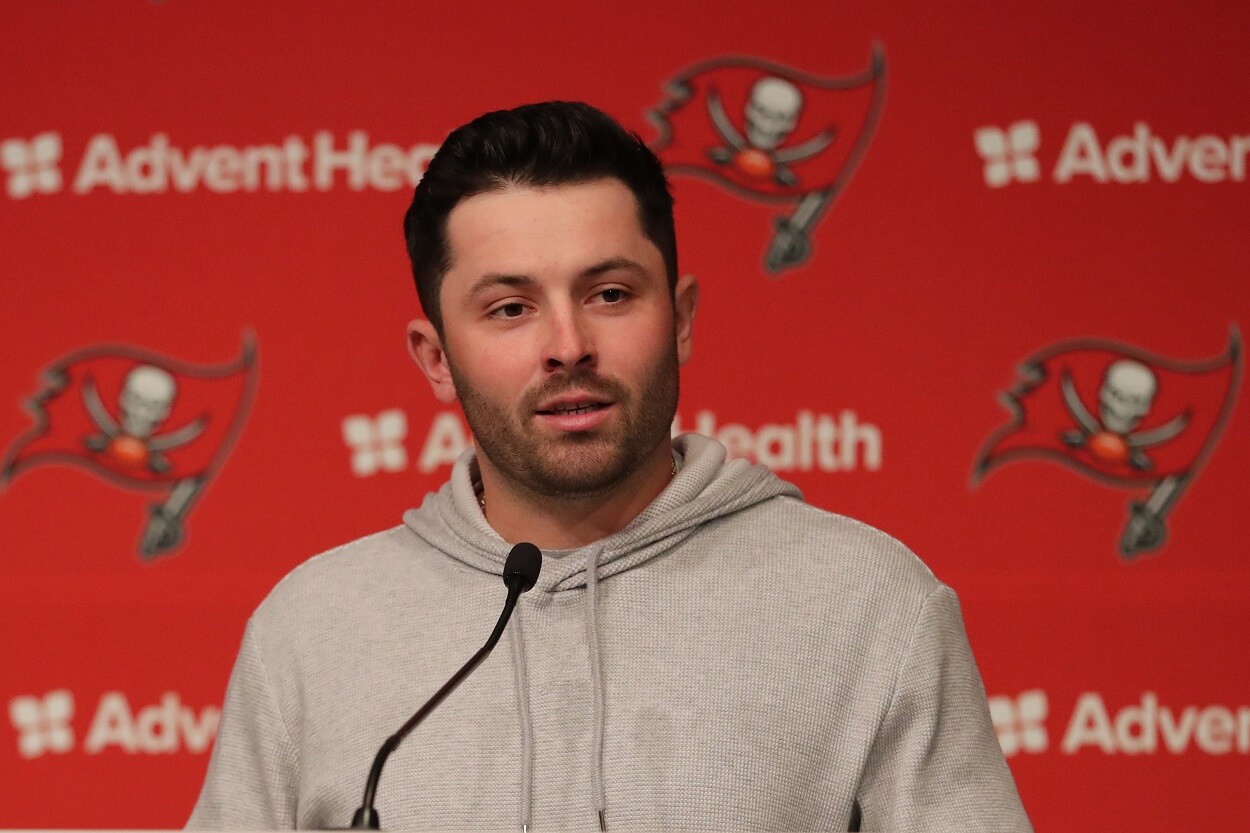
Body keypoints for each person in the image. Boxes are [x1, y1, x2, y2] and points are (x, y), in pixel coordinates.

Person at [188, 101, 1031, 832]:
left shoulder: (868, 604)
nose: (567, 346)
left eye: (610, 294)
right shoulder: (311, 630)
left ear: (683, 317)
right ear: (436, 357)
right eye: (510, 308)